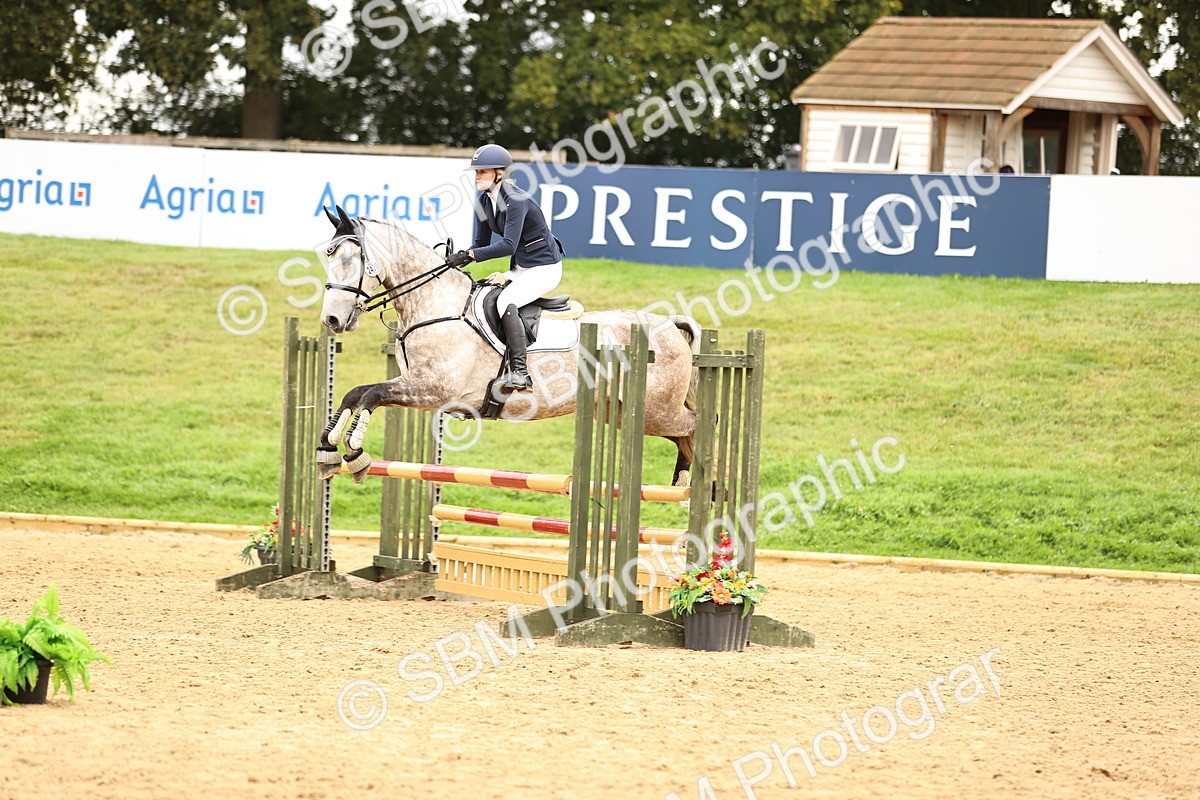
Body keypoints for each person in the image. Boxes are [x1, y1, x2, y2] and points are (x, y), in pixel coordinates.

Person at [446, 144, 564, 392]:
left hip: (545, 268)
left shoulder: (515, 199)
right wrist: (461, 257)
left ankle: (521, 372)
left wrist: (471, 255)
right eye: (476, 172)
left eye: (482, 172)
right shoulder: (484, 201)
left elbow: (508, 245)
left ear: (499, 173)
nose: (477, 176)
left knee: (504, 302)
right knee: (484, 294)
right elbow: (480, 243)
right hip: (522, 267)